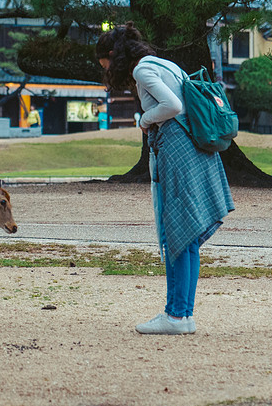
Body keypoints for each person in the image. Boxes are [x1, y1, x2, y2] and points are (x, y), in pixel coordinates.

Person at [96, 22, 234, 335]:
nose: (104, 70)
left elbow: (173, 106)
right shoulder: (164, 63)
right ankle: (183, 315)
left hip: (177, 150)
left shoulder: (142, 71)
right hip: (195, 148)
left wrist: (144, 120)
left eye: (103, 64)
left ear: (112, 55)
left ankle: (175, 315)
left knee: (178, 232)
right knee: (187, 234)